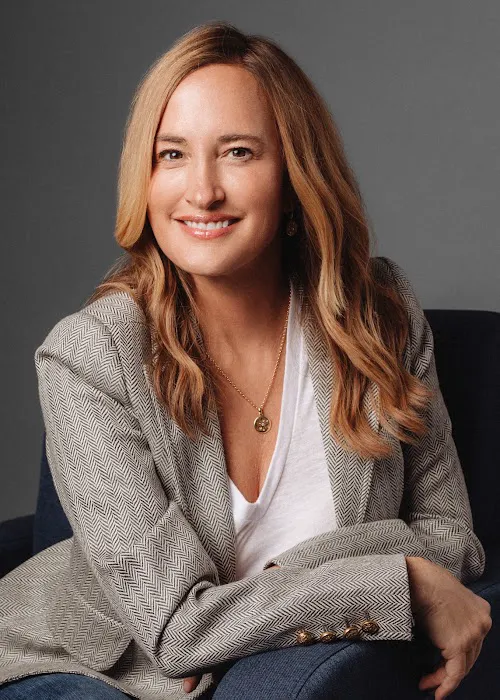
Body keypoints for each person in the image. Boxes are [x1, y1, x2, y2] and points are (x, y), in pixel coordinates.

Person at [0, 20, 491, 700]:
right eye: (172, 155)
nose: (202, 192)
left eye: (237, 152)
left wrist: (289, 577)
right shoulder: (88, 356)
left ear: (294, 175)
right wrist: (396, 579)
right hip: (93, 666)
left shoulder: (380, 313)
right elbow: (179, 631)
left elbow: (452, 539)